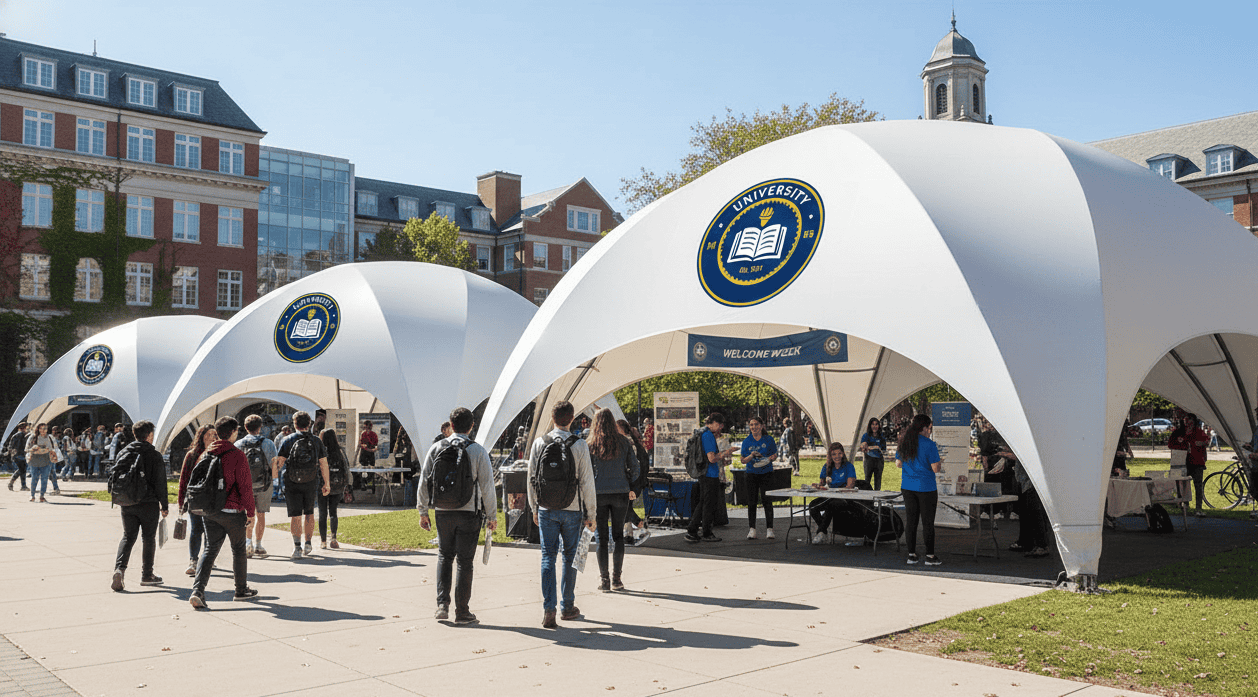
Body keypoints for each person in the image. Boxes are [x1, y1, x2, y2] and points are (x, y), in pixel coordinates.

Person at [418, 406, 496, 624]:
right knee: (465, 561)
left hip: (443, 511)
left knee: (444, 556)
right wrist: (492, 515)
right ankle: (462, 611)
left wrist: (423, 511)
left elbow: (424, 480)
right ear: (472, 426)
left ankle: (442, 605)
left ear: (450, 426)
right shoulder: (477, 451)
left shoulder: (436, 448)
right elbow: (487, 486)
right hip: (469, 511)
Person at [528, 400, 597, 628]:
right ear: (572, 418)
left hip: (547, 508)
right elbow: (587, 482)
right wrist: (591, 513)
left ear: (552, 416)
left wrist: (534, 507)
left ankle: (549, 608)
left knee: (548, 556)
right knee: (569, 557)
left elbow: (531, 478)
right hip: (572, 508)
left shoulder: (540, 443)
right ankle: (568, 606)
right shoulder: (579, 445)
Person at [190, 417, 258, 609]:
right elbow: (245, 487)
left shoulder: (206, 453)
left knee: (210, 549)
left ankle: (197, 591)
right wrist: (251, 512)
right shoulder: (237, 455)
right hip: (232, 510)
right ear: (234, 432)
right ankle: (241, 589)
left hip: (210, 510)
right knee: (238, 549)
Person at [110, 420, 169, 591]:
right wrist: (164, 505)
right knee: (148, 538)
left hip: (126, 501)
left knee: (128, 537)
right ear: (149, 435)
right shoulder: (153, 455)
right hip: (148, 503)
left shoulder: (124, 452)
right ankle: (147, 575)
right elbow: (160, 483)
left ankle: (119, 569)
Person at [588, 409, 639, 592]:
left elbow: (585, 473)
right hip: (620, 492)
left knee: (601, 538)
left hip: (598, 493)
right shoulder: (623, 442)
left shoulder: (591, 444)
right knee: (618, 536)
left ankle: (605, 580)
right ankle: (617, 579)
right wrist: (629, 482)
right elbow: (635, 468)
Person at [273, 411, 332, 559]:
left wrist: (273, 478)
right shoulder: (317, 441)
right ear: (309, 424)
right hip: (311, 481)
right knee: (309, 513)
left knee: (295, 515)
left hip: (292, 481)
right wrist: (327, 483)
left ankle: (297, 547)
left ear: (295, 424)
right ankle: (308, 543)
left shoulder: (287, 440)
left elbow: (279, 463)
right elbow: (324, 464)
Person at [895, 414, 943, 566]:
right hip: (926, 487)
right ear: (924, 428)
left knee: (911, 521)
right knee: (928, 523)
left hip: (908, 486)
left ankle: (911, 555)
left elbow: (898, 464)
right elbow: (935, 468)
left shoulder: (904, 442)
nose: (930, 431)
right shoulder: (929, 444)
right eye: (929, 428)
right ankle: (930, 556)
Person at [684, 413, 738, 544]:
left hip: (704, 473)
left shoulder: (702, 433)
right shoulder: (708, 435)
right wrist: (727, 452)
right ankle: (706, 532)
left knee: (703, 503)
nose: (720, 428)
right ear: (713, 423)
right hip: (709, 474)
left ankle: (692, 529)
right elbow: (712, 458)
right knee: (708, 505)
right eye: (719, 425)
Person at [235, 415, 278, 557]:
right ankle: (259, 545)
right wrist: (275, 481)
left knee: (248, 514)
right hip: (264, 485)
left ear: (245, 427)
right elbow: (274, 465)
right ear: (260, 427)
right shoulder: (269, 443)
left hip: (245, 486)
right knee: (261, 514)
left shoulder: (239, 444)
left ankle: (248, 543)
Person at [178, 425, 218, 576]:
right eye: (208, 434)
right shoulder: (192, 455)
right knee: (196, 529)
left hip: (213, 500)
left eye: (215, 435)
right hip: (195, 499)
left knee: (210, 531)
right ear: (201, 437)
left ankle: (208, 560)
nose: (212, 438)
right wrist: (181, 501)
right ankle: (193, 561)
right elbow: (184, 479)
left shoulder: (218, 454)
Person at [811, 442, 858, 545]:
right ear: (830, 455)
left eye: (839, 453)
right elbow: (823, 485)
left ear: (843, 454)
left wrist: (837, 490)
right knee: (812, 506)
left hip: (844, 498)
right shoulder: (826, 467)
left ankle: (820, 532)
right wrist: (818, 486)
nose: (837, 457)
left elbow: (850, 486)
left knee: (831, 506)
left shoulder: (848, 466)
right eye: (834, 454)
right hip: (828, 496)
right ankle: (823, 531)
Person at [740, 416, 779, 540]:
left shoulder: (768, 439)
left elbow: (775, 455)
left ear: (762, 426)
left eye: (756, 424)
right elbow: (742, 460)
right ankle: (752, 529)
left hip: (766, 473)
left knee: (767, 501)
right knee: (752, 502)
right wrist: (751, 455)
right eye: (751, 425)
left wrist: (769, 458)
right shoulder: (746, 441)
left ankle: (770, 529)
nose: (754, 427)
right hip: (751, 473)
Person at [616, 419, 652, 546]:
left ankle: (640, 526)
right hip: (634, 482)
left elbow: (630, 466)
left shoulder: (626, 443)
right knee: (626, 506)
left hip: (630, 482)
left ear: (620, 430)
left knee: (623, 506)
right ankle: (628, 534)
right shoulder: (633, 442)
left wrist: (628, 483)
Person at [1167, 412, 1209, 516]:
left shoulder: (1199, 432)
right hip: (1182, 462)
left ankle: (1198, 508)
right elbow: (1170, 444)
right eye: (1185, 419)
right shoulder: (1178, 432)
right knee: (1183, 484)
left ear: (1194, 421)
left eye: (1189, 419)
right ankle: (1184, 504)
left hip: (1197, 462)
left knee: (1198, 486)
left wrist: (1201, 443)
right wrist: (1181, 446)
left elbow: (1206, 441)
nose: (1187, 421)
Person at [1009, 459, 1051, 558]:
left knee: (1035, 514)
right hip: (1027, 481)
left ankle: (1042, 545)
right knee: (1027, 514)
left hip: (1032, 482)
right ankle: (1030, 543)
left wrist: (1004, 454)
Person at [318, 428, 350, 549]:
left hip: (322, 485)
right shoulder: (339, 450)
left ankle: (323, 542)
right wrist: (346, 484)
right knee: (333, 512)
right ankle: (334, 538)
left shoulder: (320, 450)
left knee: (322, 513)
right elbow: (346, 467)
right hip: (337, 485)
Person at [978, 420, 1017, 518]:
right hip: (992, 467)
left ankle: (1002, 511)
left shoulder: (1008, 435)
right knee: (990, 487)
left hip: (1006, 468)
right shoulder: (986, 435)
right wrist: (985, 463)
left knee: (1004, 488)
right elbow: (984, 453)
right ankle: (987, 511)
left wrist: (1004, 454)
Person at [25, 423, 56, 502]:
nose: (43, 430)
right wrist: (34, 448)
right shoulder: (33, 437)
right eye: (41, 428)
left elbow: (52, 448)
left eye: (45, 428)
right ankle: (32, 496)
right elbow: (26, 449)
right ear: (38, 429)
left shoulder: (49, 437)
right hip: (35, 459)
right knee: (34, 478)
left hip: (45, 459)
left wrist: (49, 450)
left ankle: (42, 496)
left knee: (44, 479)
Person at [859, 418, 887, 491]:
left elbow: (883, 449)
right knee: (867, 480)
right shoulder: (866, 435)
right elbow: (862, 448)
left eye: (876, 424)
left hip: (879, 460)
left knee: (878, 481)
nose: (874, 426)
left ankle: (877, 497)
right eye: (873, 424)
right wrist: (875, 447)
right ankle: (867, 498)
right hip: (868, 460)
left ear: (879, 426)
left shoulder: (881, 436)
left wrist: (870, 447)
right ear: (870, 425)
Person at [6, 422, 29, 491]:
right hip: (20, 455)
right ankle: (12, 483)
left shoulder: (16, 435)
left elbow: (10, 446)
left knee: (23, 470)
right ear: (24, 428)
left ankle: (23, 486)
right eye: (27, 427)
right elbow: (22, 446)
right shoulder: (21, 435)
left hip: (17, 455)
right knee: (22, 469)